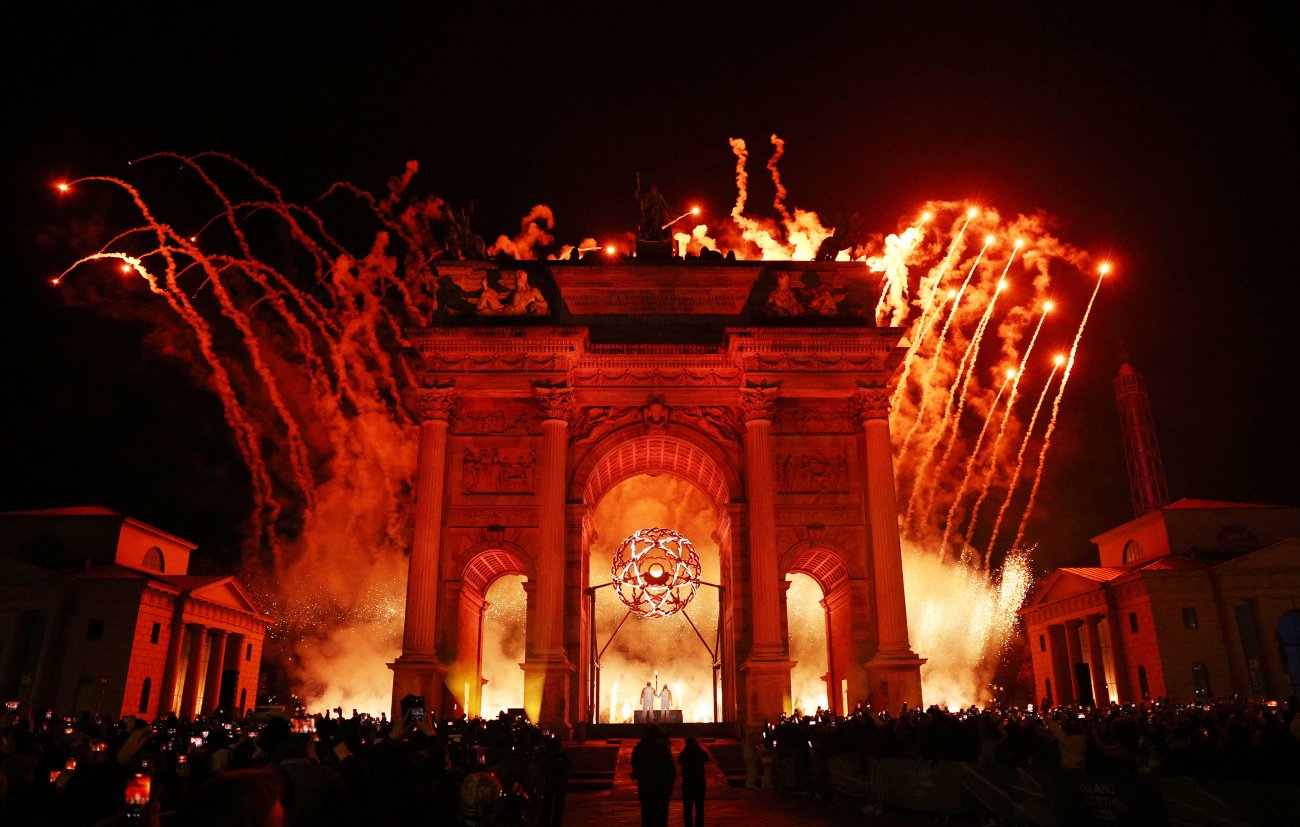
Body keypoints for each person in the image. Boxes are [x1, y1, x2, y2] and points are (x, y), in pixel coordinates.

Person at [631, 725, 675, 827]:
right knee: (661, 819)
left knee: (647, 818)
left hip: (646, 789)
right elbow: (671, 771)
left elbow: (636, 765)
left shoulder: (642, 749)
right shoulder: (664, 750)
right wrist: (669, 789)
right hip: (661, 790)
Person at [677, 736, 710, 827]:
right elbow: (706, 758)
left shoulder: (686, 751)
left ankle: (688, 824)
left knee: (687, 807)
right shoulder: (699, 750)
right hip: (700, 781)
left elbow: (679, 761)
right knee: (700, 807)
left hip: (688, 781)